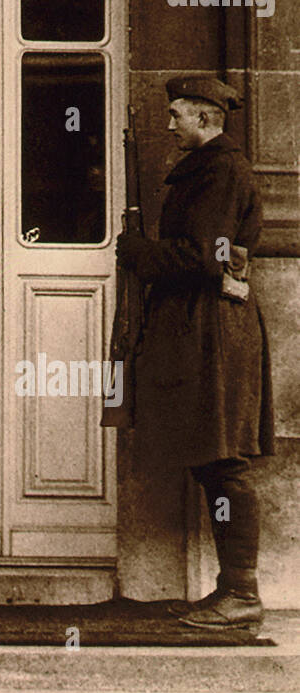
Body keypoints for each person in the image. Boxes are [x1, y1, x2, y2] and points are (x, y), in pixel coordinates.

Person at [114, 77, 274, 628]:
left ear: (206, 119)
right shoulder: (210, 168)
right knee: (211, 461)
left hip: (214, 332)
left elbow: (203, 256)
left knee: (225, 461)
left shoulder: (222, 170)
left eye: (177, 115)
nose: (169, 124)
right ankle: (231, 589)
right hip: (201, 328)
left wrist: (138, 253)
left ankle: (244, 593)